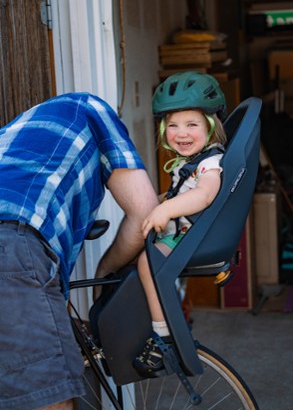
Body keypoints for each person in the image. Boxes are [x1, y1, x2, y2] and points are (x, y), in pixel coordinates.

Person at [0, 92, 159, 410]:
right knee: (48, 395)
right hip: (11, 245)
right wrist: (104, 270)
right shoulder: (93, 108)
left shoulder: (13, 135)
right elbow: (144, 213)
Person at [132, 71, 227, 377]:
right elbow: (181, 192)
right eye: (173, 125)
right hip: (183, 230)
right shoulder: (190, 163)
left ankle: (163, 337)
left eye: (191, 124)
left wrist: (168, 209)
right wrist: (160, 201)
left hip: (192, 236)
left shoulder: (210, 163)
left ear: (211, 127)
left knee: (147, 263)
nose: (181, 133)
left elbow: (204, 194)